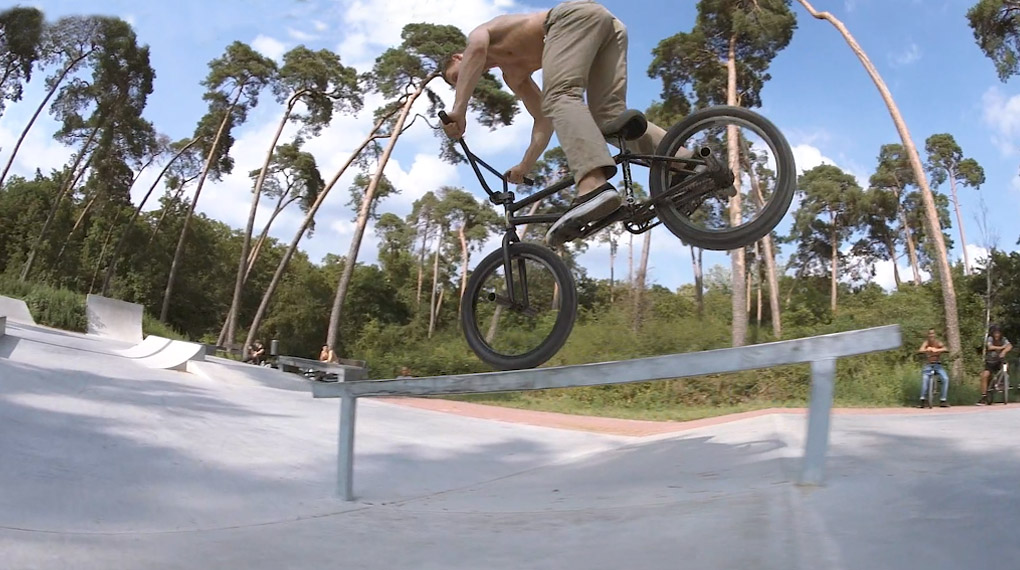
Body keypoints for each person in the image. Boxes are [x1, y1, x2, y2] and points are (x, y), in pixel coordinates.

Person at [441, 0, 672, 248]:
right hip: (609, 28)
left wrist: (459, 109)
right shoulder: (513, 76)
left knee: (560, 95)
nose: (464, 81)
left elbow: (476, 50)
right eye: (457, 82)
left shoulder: (479, 34)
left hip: (571, 16)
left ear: (458, 57)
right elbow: (544, 119)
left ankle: (592, 184)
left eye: (457, 75)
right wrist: (525, 165)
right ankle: (679, 161)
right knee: (608, 120)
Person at [978, 324, 1012, 405]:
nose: (997, 335)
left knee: (1006, 365)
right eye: (995, 333)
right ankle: (984, 396)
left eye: (998, 333)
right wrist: (1002, 347)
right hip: (990, 362)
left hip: (999, 361)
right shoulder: (990, 339)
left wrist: (1004, 352)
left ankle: (1003, 382)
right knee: (984, 375)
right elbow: (990, 347)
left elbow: (1009, 346)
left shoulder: (1003, 339)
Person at [917, 328, 949, 408]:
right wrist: (926, 349)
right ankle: (923, 400)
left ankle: (943, 400)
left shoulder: (938, 342)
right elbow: (920, 350)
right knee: (925, 379)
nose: (931, 335)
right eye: (930, 334)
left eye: (933, 333)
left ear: (935, 335)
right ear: (928, 335)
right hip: (928, 365)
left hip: (938, 365)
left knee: (945, 378)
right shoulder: (926, 342)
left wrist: (937, 350)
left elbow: (946, 349)